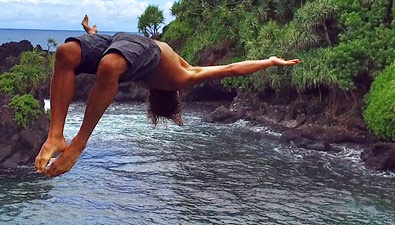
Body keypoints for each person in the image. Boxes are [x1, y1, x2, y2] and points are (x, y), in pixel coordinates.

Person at [35, 15, 300, 177]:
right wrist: (269, 61)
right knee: (67, 53)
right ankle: (55, 135)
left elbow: (232, 69)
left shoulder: (173, 78)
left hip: (127, 46)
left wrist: (269, 61)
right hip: (131, 44)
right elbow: (232, 70)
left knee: (96, 62)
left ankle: (78, 144)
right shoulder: (182, 76)